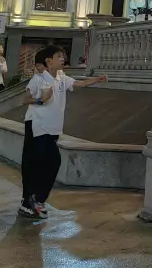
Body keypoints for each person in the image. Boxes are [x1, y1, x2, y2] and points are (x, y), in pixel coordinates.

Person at [19, 44, 107, 219]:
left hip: (52, 128)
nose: (63, 59)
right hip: (37, 126)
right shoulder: (38, 79)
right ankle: (33, 200)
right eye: (59, 56)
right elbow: (25, 99)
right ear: (48, 61)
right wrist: (40, 100)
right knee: (46, 162)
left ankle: (32, 202)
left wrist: (97, 79)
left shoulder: (61, 77)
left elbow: (80, 83)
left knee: (45, 163)